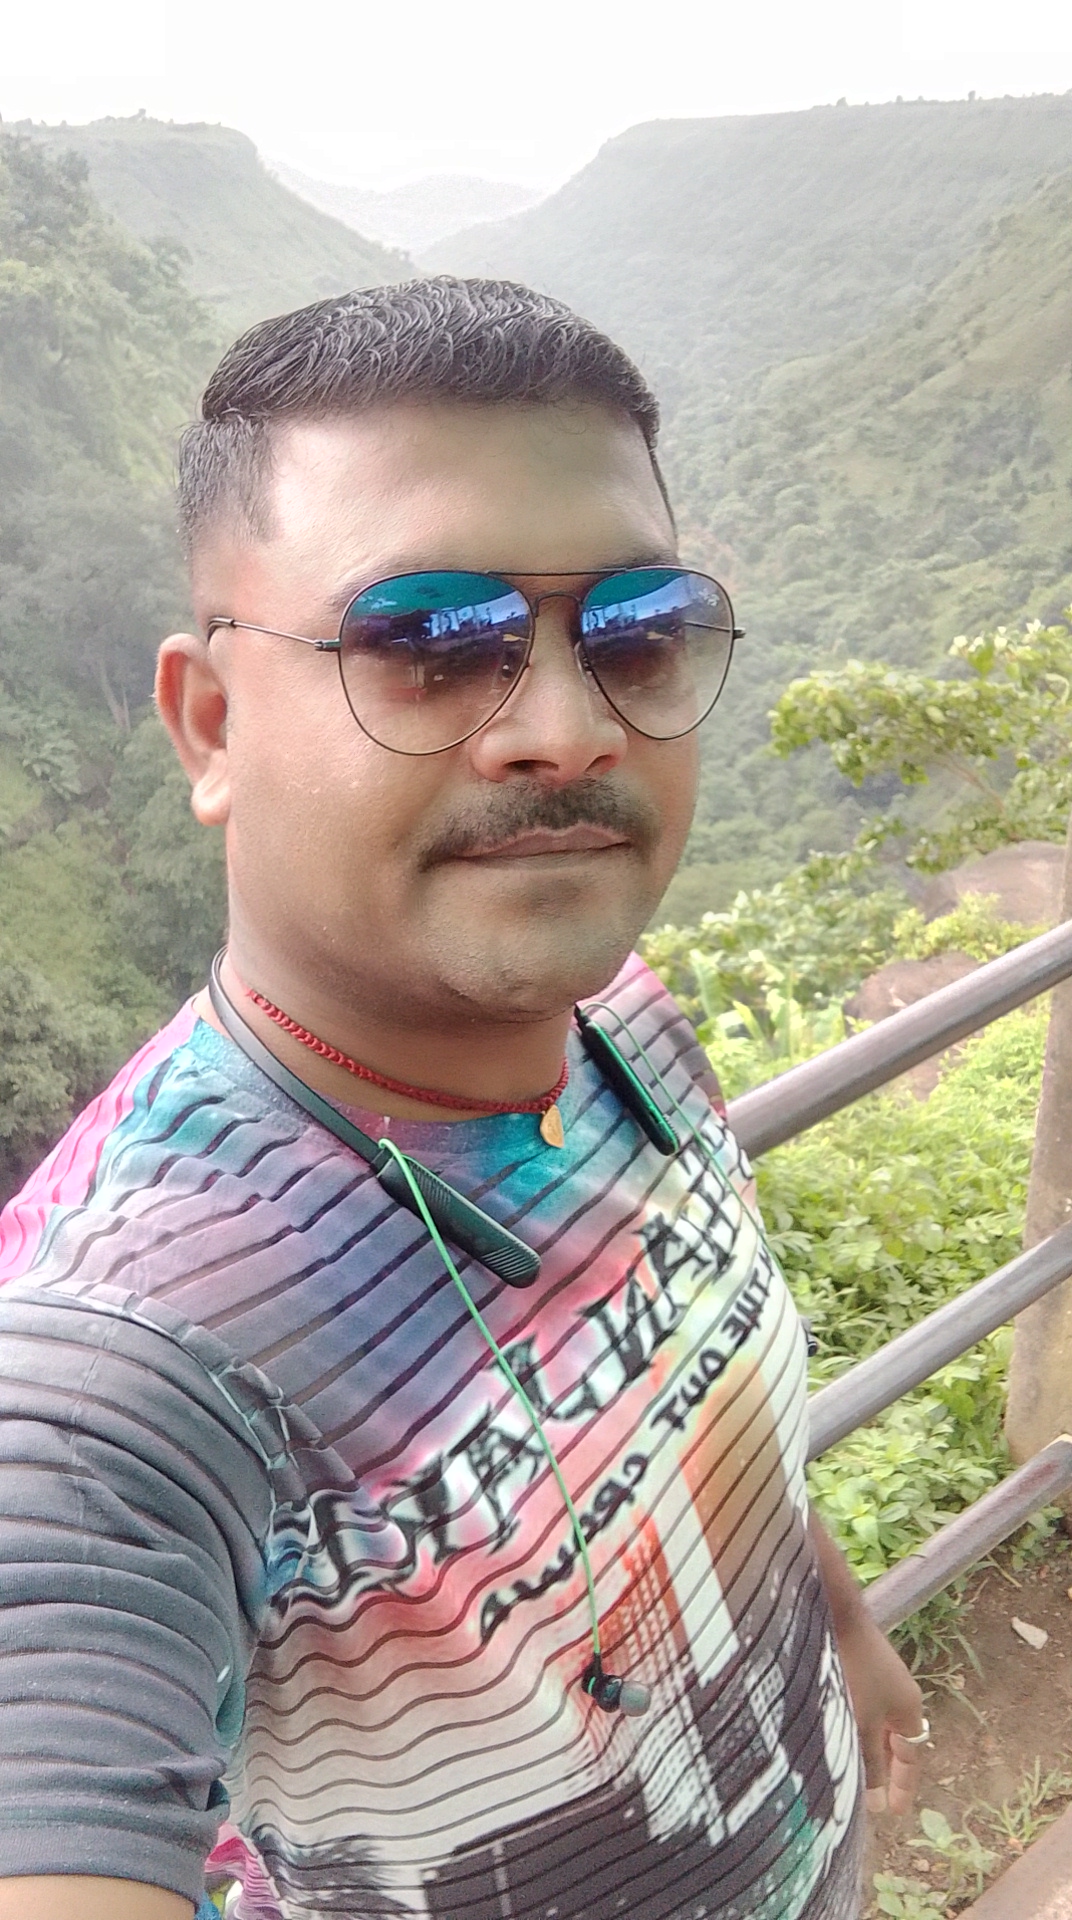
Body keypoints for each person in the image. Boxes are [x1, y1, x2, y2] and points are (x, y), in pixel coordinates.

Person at [0, 277, 924, 1920]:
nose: (565, 730)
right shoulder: (115, 1366)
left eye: (635, 631)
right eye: (429, 645)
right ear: (211, 724)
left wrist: (835, 1625)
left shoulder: (622, 1019)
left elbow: (700, 1384)